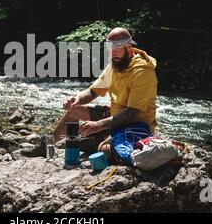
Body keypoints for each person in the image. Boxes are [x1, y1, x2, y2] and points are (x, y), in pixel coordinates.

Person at [53, 27, 158, 162]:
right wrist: (77, 99)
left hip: (135, 125)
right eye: (110, 48)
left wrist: (98, 125)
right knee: (74, 110)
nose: (112, 53)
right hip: (113, 116)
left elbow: (131, 113)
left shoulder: (143, 72)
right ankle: (49, 146)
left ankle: (97, 141)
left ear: (129, 46)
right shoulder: (114, 65)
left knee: (105, 152)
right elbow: (93, 91)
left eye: (116, 48)